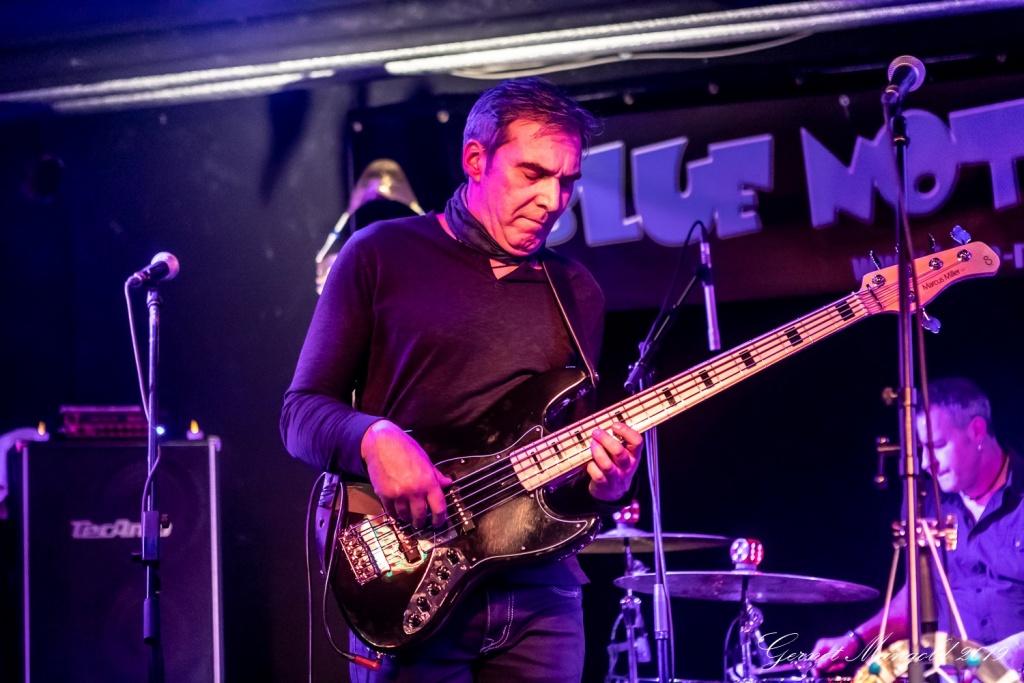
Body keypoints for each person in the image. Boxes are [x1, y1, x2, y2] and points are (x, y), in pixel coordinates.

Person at [280, 77, 643, 682]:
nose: (553, 199)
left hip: (541, 599)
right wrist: (374, 438)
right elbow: (299, 413)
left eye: (567, 181)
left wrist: (607, 484)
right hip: (411, 576)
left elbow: (567, 467)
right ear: (476, 160)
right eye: (533, 173)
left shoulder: (576, 289)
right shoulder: (379, 254)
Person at [810, 377, 1024, 674]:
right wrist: (856, 639)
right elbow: (919, 596)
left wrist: (1015, 650)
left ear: (977, 431)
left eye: (937, 446)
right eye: (921, 448)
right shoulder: (927, 502)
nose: (925, 463)